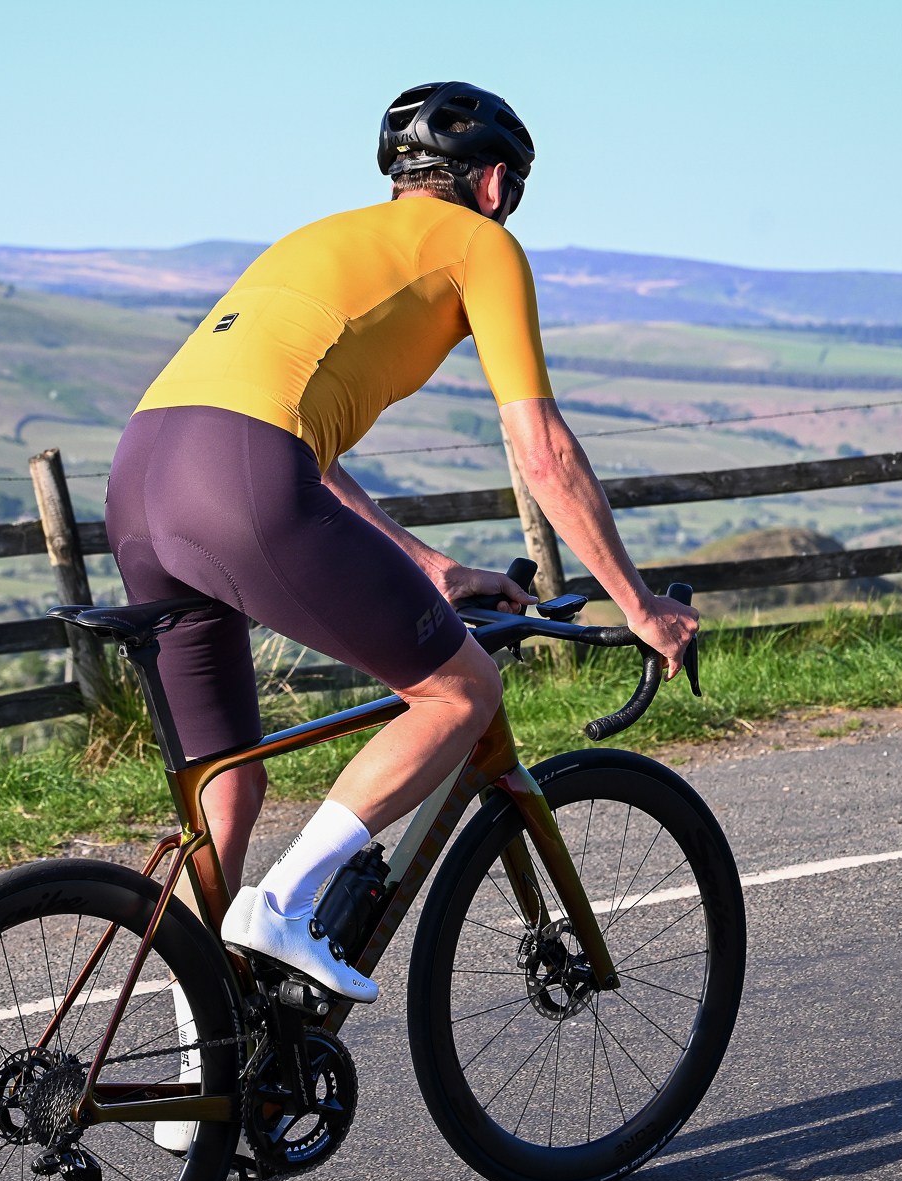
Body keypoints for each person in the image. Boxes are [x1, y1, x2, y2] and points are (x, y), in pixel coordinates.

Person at [106, 80, 697, 1013]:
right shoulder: (482, 244)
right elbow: (541, 449)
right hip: (239, 473)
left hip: (139, 476)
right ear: (494, 184)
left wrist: (430, 568)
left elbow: (296, 441)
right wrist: (639, 604)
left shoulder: (318, 238)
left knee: (228, 789)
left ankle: (203, 1064)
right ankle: (284, 906)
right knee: (461, 691)